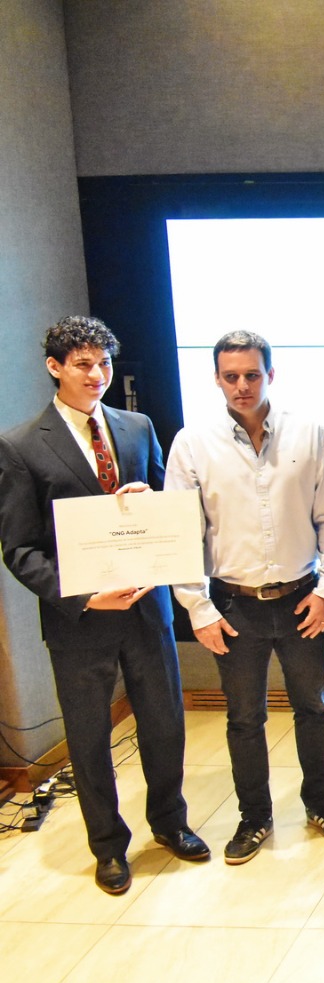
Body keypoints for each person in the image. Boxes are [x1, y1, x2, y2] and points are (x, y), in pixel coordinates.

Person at [0, 316, 208, 893]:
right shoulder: (20, 446)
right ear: (55, 367)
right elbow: (19, 549)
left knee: (164, 722)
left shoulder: (137, 427)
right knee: (89, 737)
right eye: (83, 364)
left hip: (145, 607)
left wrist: (151, 499)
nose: (97, 375)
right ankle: (108, 847)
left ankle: (170, 823)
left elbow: (171, 510)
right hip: (80, 620)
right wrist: (86, 596)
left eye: (104, 363)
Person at [169, 330, 324, 865]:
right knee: (244, 719)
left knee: (313, 708)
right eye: (231, 377)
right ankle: (254, 817)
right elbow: (180, 534)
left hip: (301, 598)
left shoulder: (308, 434)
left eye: (252, 374)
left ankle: (321, 804)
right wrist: (198, 608)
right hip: (233, 605)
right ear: (216, 379)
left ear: (270, 374)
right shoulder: (192, 443)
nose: (242, 386)